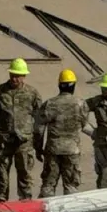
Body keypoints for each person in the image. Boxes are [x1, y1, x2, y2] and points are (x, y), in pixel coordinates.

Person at [0, 58, 42, 202]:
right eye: (12, 75)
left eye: (18, 75)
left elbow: (40, 117)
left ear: (24, 76)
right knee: (2, 176)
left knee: (24, 175)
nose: (14, 78)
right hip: (4, 142)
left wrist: (35, 137)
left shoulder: (32, 93)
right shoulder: (0, 92)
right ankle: (1, 203)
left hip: (24, 143)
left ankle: (25, 202)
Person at [33, 69, 85, 197]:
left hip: (53, 150)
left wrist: (38, 149)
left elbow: (39, 129)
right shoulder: (80, 104)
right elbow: (83, 123)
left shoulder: (49, 104)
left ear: (59, 85)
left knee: (48, 186)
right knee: (71, 186)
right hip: (72, 150)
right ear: (73, 85)